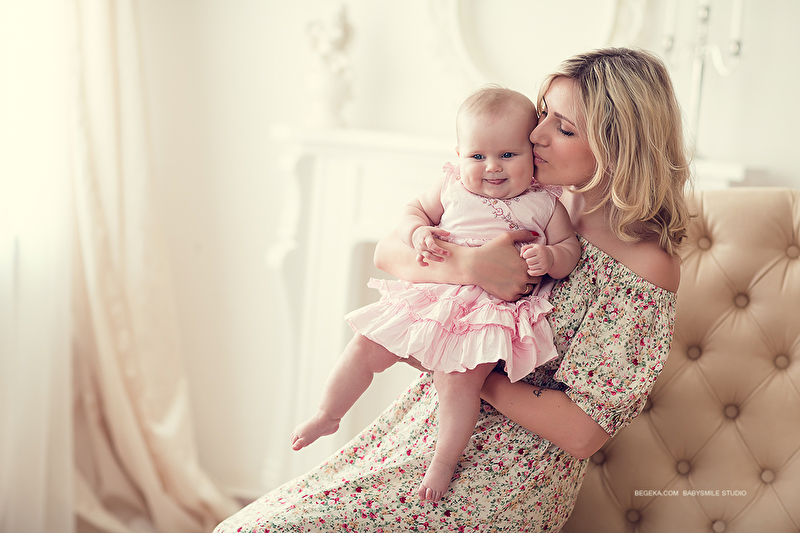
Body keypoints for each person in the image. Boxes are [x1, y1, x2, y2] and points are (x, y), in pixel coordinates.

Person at [215, 47, 692, 532]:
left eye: (563, 128)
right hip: (421, 426)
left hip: (504, 477)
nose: (536, 134)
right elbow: (388, 252)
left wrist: (459, 364)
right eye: (544, 113)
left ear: (618, 147)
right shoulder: (527, 190)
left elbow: (582, 432)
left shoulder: (645, 264)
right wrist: (470, 265)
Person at [290, 85, 581, 502]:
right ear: (459, 155)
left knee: (458, 382)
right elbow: (412, 212)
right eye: (477, 156)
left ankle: (443, 461)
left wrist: (550, 256)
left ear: (530, 155)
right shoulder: (451, 187)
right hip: (433, 297)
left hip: (486, 311)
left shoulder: (544, 204)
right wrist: (418, 232)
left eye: (508, 154)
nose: (492, 167)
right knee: (366, 343)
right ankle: (327, 414)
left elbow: (569, 250)